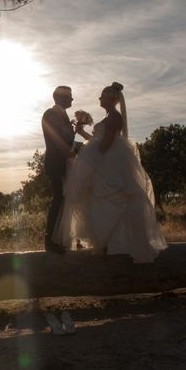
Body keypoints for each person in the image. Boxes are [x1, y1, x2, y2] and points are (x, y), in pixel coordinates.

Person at [53, 82, 167, 263]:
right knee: (100, 199)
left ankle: (119, 245)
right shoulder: (108, 115)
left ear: (111, 99)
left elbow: (105, 144)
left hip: (110, 164)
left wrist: (90, 162)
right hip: (106, 161)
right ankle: (108, 244)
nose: (99, 98)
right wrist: (82, 133)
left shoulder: (115, 116)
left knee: (113, 198)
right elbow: (98, 141)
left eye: (102, 96)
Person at [41, 85, 76, 253]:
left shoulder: (61, 113)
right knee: (58, 199)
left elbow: (66, 137)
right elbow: (56, 138)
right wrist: (70, 153)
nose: (72, 100)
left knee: (63, 198)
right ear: (61, 98)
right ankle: (50, 241)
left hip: (60, 160)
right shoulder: (53, 113)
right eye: (70, 97)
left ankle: (59, 239)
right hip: (56, 161)